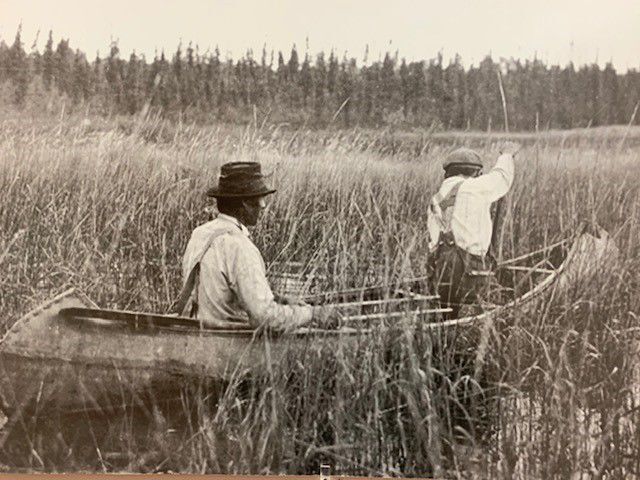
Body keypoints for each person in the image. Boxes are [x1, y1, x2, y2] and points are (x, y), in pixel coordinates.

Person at [174, 161, 338, 331]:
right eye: (259, 198)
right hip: (229, 346)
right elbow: (265, 318)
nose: (263, 205)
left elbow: (220, 291)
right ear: (245, 203)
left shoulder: (199, 234)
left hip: (199, 334)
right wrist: (312, 314)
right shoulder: (240, 246)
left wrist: (279, 299)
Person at [427, 142, 521, 315]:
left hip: (439, 273)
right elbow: (501, 177)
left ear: (447, 173)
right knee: (491, 298)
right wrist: (506, 155)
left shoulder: (436, 198)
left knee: (448, 313)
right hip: (469, 273)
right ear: (476, 173)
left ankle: (448, 327)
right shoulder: (473, 188)